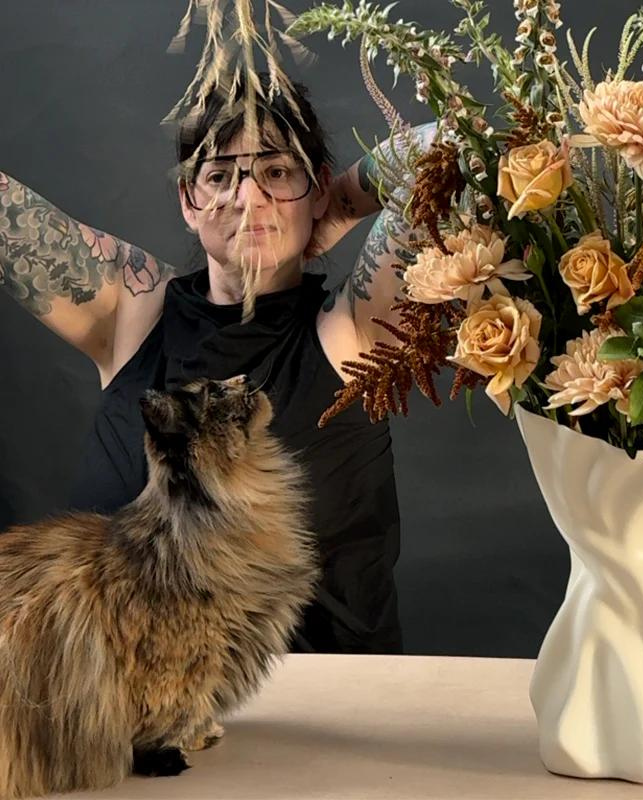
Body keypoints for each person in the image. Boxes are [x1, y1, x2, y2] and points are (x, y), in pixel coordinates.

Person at [0, 70, 434, 654]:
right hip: (115, 710)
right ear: (189, 200)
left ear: (318, 185)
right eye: (220, 176)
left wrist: (337, 209)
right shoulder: (133, 314)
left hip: (327, 709)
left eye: (277, 173)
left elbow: (459, 147)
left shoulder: (354, 333)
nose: (247, 198)